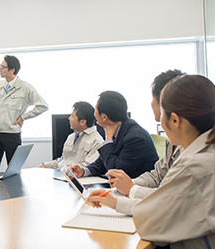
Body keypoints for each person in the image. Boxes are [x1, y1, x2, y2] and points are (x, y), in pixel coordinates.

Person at [88, 75, 215, 248]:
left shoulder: (193, 167)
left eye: (163, 112)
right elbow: (164, 197)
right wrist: (117, 201)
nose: (159, 120)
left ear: (176, 120)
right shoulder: (202, 150)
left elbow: (153, 221)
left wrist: (129, 192)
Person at [107, 70, 184, 199]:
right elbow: (157, 175)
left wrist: (131, 189)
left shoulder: (135, 135)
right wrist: (128, 184)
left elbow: (172, 198)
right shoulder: (172, 139)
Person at [70, 91, 158, 178]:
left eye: (96, 110)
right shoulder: (116, 128)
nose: (94, 114)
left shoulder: (135, 137)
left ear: (104, 117)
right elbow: (103, 162)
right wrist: (84, 171)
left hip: (139, 188)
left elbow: (115, 171)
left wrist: (109, 140)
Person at [38, 101, 103, 169]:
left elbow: (89, 166)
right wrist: (45, 165)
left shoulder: (97, 141)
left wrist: (66, 171)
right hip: (61, 174)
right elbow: (63, 160)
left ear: (82, 122)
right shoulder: (71, 137)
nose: (69, 118)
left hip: (74, 177)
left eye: (72, 116)